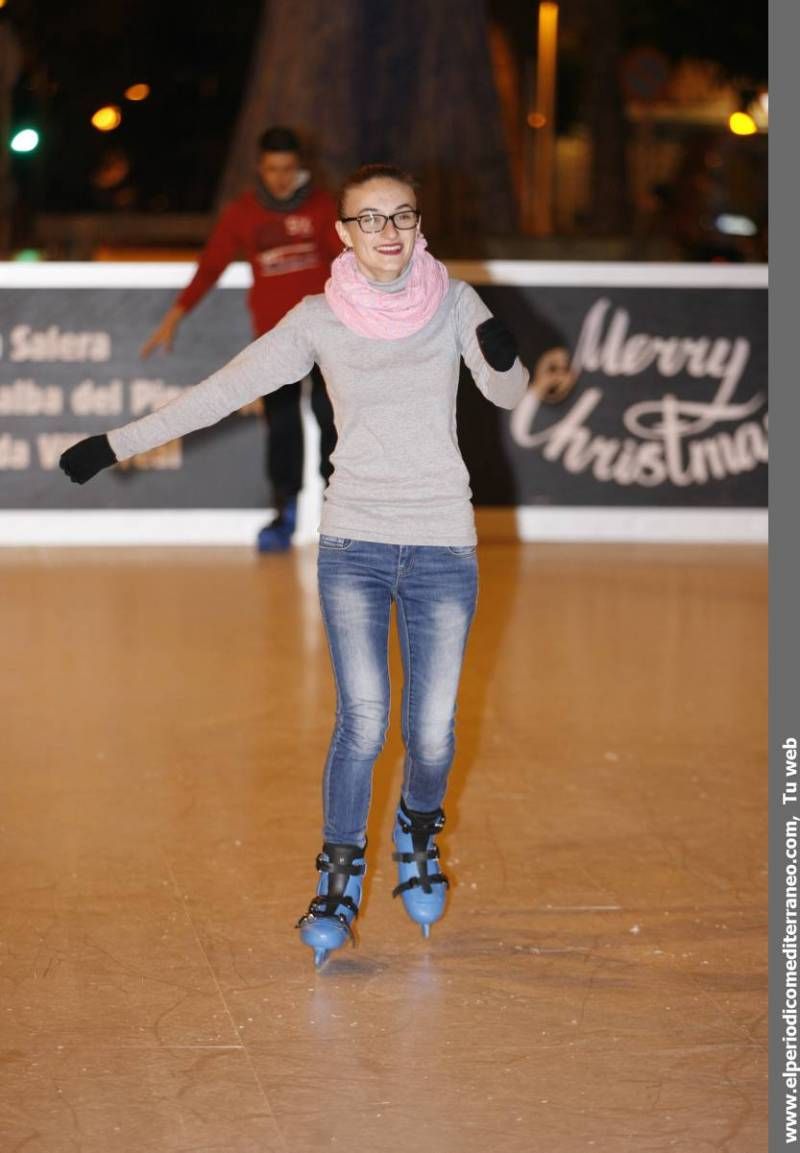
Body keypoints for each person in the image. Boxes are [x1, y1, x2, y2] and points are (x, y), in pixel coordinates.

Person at [60, 163, 529, 968]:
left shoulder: (453, 301)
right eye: (370, 219)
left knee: (433, 732)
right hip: (354, 541)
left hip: (443, 542)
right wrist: (115, 444)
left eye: (402, 217)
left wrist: (501, 350)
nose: (389, 232)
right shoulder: (318, 319)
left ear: (418, 225)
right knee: (366, 720)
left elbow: (508, 392)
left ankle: (418, 832)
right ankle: (338, 878)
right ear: (343, 233)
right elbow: (220, 390)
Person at [140, 125, 341, 552]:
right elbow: (211, 264)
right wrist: (176, 315)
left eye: (288, 169)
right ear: (260, 167)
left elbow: (349, 263)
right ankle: (284, 510)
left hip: (330, 338)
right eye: (272, 169)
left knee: (334, 423)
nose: (281, 178)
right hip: (276, 343)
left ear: (300, 167)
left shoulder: (324, 208)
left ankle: (340, 515)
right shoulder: (243, 213)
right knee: (282, 427)